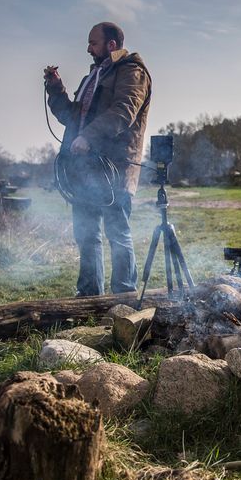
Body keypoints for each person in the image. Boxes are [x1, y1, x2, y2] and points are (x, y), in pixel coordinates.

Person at [44, 22, 151, 297]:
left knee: (118, 234)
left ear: (111, 45)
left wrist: (89, 137)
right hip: (84, 171)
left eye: (93, 43)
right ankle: (89, 297)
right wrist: (56, 90)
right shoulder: (92, 77)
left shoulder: (132, 72)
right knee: (87, 234)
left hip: (114, 168)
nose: (88, 48)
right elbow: (72, 116)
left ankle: (124, 297)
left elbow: (123, 112)